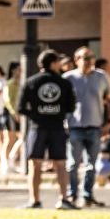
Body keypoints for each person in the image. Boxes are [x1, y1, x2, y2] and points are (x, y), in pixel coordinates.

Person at [19, 49, 76, 209]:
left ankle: (34, 200)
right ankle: (64, 199)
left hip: (37, 127)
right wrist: (57, 111)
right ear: (53, 63)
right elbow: (71, 106)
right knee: (60, 163)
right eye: (58, 61)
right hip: (57, 127)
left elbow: (21, 107)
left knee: (35, 164)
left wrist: (37, 113)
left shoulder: (31, 82)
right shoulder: (64, 83)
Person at [63, 46, 108, 208]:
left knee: (91, 165)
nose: (89, 61)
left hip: (95, 127)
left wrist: (108, 123)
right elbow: (62, 104)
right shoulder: (68, 78)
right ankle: (72, 194)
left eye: (91, 57)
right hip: (74, 127)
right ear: (77, 60)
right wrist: (63, 123)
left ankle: (87, 195)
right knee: (72, 164)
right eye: (85, 57)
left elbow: (108, 100)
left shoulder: (102, 77)